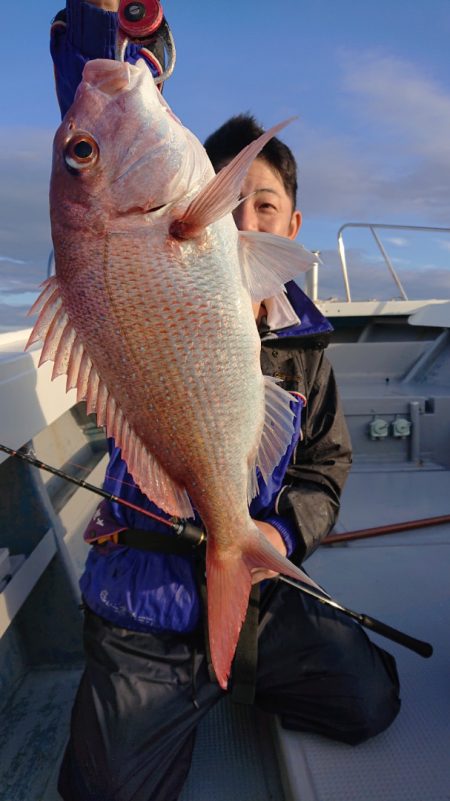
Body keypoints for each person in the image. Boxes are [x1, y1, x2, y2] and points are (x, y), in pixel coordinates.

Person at [51, 3, 401, 800]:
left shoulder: (306, 348)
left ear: (291, 224)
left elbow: (325, 465)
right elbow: (89, 97)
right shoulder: (134, 224)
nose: (245, 218)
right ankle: (194, 683)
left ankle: (230, 670)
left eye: (265, 206)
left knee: (370, 699)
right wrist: (104, 29)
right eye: (231, 198)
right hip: (145, 598)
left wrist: (270, 534)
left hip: (257, 579)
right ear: (201, 203)